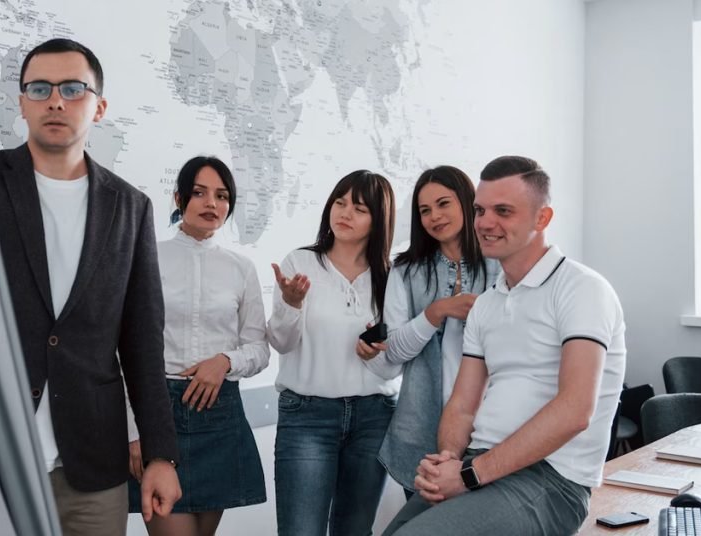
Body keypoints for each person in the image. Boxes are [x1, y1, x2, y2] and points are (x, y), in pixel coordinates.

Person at [0, 38, 180, 535]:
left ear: (99, 106)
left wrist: (160, 454)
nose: (55, 100)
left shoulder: (130, 208)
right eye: (40, 88)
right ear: (22, 101)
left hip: (91, 467)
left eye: (73, 89)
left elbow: (141, 344)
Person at [383, 156, 626, 535]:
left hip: (551, 479)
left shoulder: (582, 288)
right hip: (479, 465)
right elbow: (463, 406)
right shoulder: (489, 304)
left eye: (504, 211)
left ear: (542, 219)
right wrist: (448, 461)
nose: (485, 222)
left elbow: (576, 410)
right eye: (480, 210)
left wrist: (467, 475)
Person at [125, 156, 269, 536]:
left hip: (219, 412)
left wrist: (224, 361)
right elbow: (122, 349)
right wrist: (132, 430)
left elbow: (259, 349)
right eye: (200, 193)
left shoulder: (241, 267)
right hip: (158, 413)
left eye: (222, 196)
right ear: (179, 198)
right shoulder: (146, 257)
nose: (212, 204)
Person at [268, 170, 398, 536]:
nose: (345, 213)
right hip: (308, 416)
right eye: (340, 203)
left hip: (374, 417)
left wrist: (378, 354)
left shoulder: (391, 276)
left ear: (378, 219)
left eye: (359, 208)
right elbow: (281, 342)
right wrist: (291, 305)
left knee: (354, 530)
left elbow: (395, 363)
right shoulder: (300, 263)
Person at [356, 166, 499, 498]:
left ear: (467, 201)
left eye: (443, 203)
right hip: (422, 432)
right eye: (424, 210)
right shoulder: (406, 271)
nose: (434, 216)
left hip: (491, 431)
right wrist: (436, 312)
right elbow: (394, 352)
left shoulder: (500, 264)